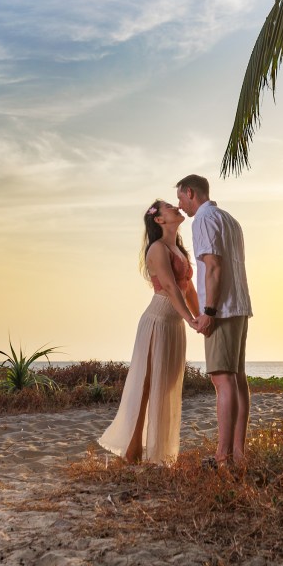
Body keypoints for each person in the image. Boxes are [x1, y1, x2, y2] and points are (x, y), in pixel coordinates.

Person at [97, 199, 200, 464]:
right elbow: (169, 286)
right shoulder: (156, 248)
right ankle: (132, 452)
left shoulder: (178, 249)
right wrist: (190, 319)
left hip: (174, 324)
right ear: (159, 220)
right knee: (145, 385)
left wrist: (199, 317)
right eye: (169, 206)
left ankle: (158, 451)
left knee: (166, 386)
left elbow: (188, 288)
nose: (176, 207)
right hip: (157, 321)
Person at [175, 174, 252, 466]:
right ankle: (238, 454)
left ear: (191, 193)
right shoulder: (230, 220)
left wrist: (208, 312)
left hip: (222, 309)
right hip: (240, 306)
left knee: (223, 380)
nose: (180, 205)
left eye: (182, 199)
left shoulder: (203, 220)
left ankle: (223, 456)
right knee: (238, 380)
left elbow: (214, 268)